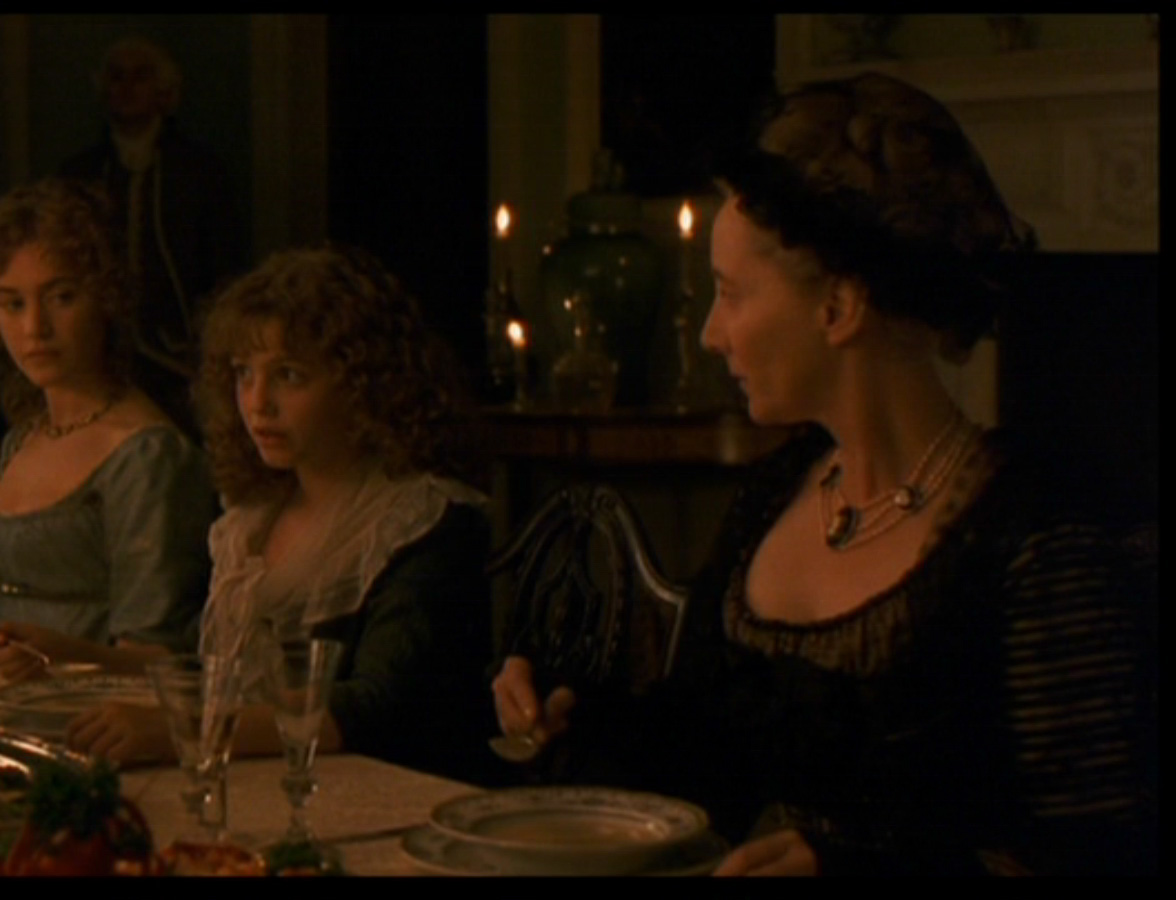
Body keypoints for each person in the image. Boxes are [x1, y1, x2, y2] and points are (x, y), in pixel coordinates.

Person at [492, 72, 1155, 875]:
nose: (710, 334)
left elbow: (1098, 856)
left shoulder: (1036, 542)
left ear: (838, 308)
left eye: (731, 295)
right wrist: (568, 713)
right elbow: (702, 758)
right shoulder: (780, 491)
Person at [62, 244, 507, 784]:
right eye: (243, 374)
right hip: (269, 782)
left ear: (363, 384)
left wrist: (186, 729)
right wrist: (66, 656)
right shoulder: (253, 520)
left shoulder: (422, 522)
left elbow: (381, 706)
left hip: (388, 796)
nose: (257, 403)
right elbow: (214, 673)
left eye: (289, 375)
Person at [0, 178, 215, 665]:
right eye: (13, 303)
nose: (34, 328)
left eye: (61, 297)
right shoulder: (25, 437)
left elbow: (162, 658)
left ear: (105, 297)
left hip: (96, 708)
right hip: (9, 698)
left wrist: (58, 657)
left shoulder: (147, 455)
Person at [58, 35, 247, 436]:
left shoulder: (199, 172)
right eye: (117, 77)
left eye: (140, 77)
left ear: (163, 92)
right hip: (103, 352)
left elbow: (224, 264)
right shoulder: (80, 175)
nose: (127, 87)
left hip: (179, 355)